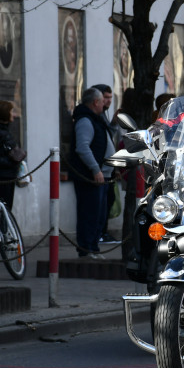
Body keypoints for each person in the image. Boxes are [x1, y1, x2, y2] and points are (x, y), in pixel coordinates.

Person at [68, 87, 109, 258]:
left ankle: (93, 246)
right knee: (89, 213)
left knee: (98, 214)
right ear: (95, 102)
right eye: (102, 101)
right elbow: (83, 147)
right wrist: (95, 169)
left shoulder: (96, 119)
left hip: (101, 175)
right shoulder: (85, 120)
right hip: (90, 176)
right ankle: (86, 249)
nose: (104, 104)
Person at [90, 83, 119, 243]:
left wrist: (113, 123)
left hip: (107, 169)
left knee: (107, 202)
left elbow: (108, 137)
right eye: (105, 98)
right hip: (100, 170)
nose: (108, 101)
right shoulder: (94, 117)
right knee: (99, 206)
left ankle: (102, 232)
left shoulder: (103, 115)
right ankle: (99, 234)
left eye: (109, 98)